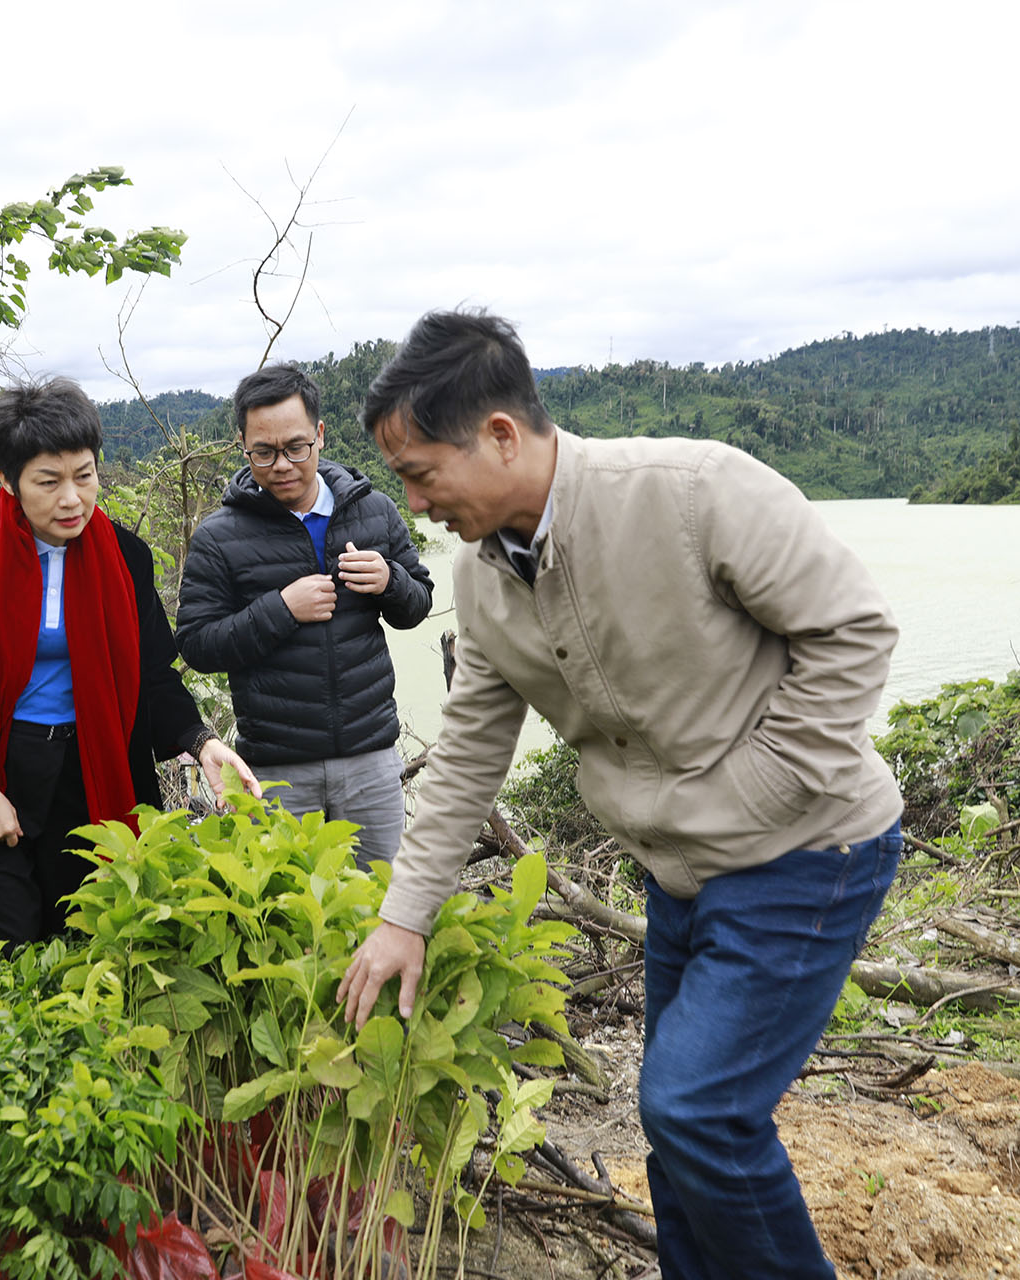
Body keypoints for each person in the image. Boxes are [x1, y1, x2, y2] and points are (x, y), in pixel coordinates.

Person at [335, 311, 903, 1279]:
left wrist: (756, 789)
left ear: (502, 435)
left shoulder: (693, 489)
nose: (414, 501)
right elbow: (471, 748)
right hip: (678, 873)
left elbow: (852, 630)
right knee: (675, 1124)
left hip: (807, 849)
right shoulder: (481, 576)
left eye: (423, 471)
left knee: (699, 1110)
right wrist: (405, 915)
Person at [0, 377, 260, 940]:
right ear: (8, 481)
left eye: (84, 475)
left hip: (93, 764)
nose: (72, 498)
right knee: (9, 932)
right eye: (48, 481)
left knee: (89, 926)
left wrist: (202, 742)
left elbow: (150, 676)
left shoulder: (125, 556)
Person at [175, 364, 433, 868]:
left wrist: (390, 581)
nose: (281, 465)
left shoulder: (373, 511)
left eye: (295, 447)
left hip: (371, 758)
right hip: (274, 769)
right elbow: (196, 644)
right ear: (243, 447)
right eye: (263, 453)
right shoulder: (219, 536)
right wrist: (281, 609)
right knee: (287, 923)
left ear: (319, 434)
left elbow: (418, 602)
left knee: (381, 906)